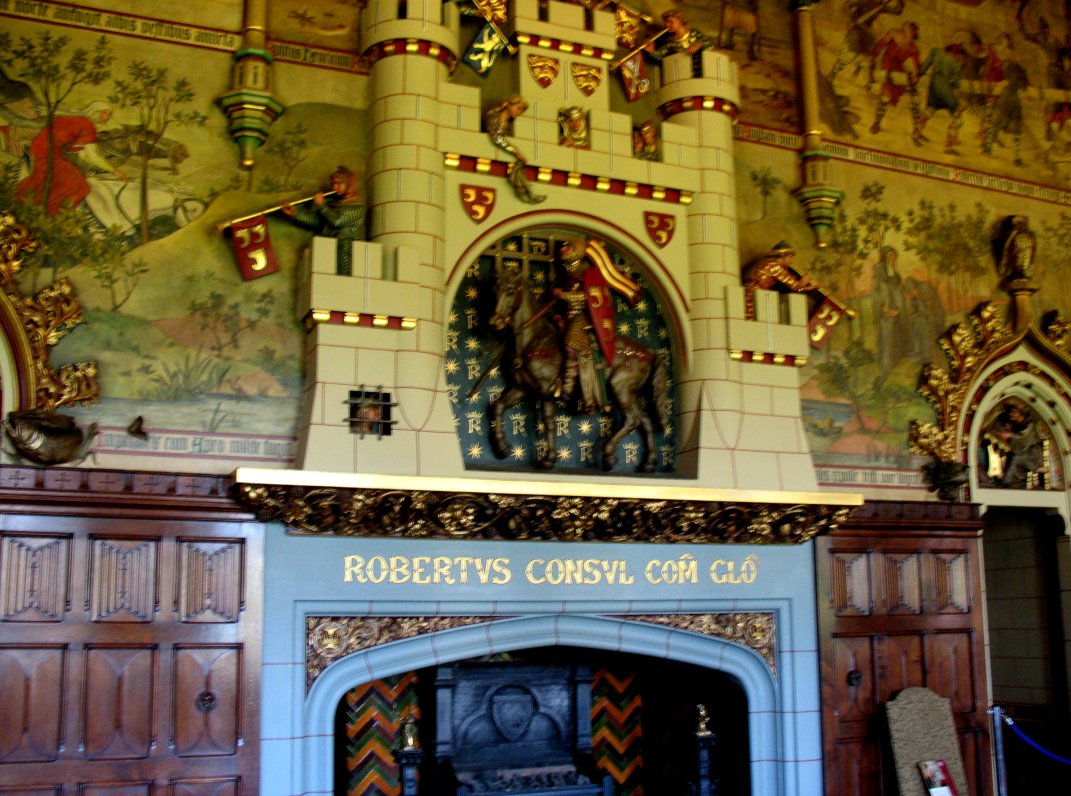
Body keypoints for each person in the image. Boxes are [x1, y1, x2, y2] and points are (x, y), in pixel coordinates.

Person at [552, 238, 640, 414]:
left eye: (567, 246)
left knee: (571, 345)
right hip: (569, 315)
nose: (564, 249)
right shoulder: (565, 274)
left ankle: (569, 386)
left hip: (585, 317)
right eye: (562, 248)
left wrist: (564, 296)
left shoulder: (587, 272)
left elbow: (590, 297)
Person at [15, 100, 125, 215]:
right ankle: (52, 214)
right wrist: (114, 171)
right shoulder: (87, 125)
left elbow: (83, 155)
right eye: (105, 113)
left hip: (42, 149)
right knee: (81, 187)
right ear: (95, 111)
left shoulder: (77, 119)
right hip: (48, 154)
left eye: (109, 114)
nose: (107, 117)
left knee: (62, 180)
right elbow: (92, 156)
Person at [280, 165, 366, 276]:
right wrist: (295, 214)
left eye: (339, 183)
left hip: (344, 244)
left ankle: (344, 280)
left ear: (349, 183)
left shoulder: (357, 206)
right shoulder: (332, 205)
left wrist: (321, 205)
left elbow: (337, 222)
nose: (335, 187)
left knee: (343, 248)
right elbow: (319, 223)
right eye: (333, 184)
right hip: (327, 245)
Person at [828, 0, 905, 86]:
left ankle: (857, 73)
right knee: (850, 53)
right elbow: (846, 5)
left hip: (867, 33)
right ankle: (833, 73)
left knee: (866, 54)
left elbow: (897, 11)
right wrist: (850, 17)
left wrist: (901, 2)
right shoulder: (863, 1)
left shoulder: (881, 7)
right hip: (856, 29)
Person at [485, 94, 544, 203]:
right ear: (509, 105)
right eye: (518, 108)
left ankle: (527, 192)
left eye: (521, 110)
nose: (519, 112)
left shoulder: (509, 125)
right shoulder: (494, 118)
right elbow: (496, 137)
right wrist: (515, 151)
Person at [868, 21, 921, 135]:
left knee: (914, 95)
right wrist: (873, 57)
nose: (911, 37)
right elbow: (881, 45)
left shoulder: (913, 48)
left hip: (899, 70)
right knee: (886, 94)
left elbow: (916, 66)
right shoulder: (893, 34)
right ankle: (877, 123)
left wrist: (915, 76)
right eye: (910, 32)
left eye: (913, 34)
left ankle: (917, 127)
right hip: (887, 65)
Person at [741, 242, 817, 320]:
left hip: (749, 292)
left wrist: (806, 288)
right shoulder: (774, 266)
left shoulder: (766, 262)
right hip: (752, 295)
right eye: (790, 257)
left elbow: (795, 288)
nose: (791, 262)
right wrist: (806, 279)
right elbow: (795, 286)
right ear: (782, 256)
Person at [913, 43, 966, 154]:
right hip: (944, 88)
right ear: (956, 54)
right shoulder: (955, 65)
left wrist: (918, 75)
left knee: (930, 109)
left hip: (933, 85)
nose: (961, 60)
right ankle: (948, 146)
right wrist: (958, 103)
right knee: (958, 118)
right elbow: (955, 86)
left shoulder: (936, 51)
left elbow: (926, 64)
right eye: (961, 57)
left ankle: (916, 134)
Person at [872, 246, 907, 375]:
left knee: (896, 338)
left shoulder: (896, 275)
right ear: (886, 257)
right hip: (884, 312)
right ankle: (885, 367)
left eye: (894, 255)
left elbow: (898, 294)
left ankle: (894, 365)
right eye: (891, 255)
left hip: (896, 312)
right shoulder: (879, 271)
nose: (894, 258)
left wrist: (898, 310)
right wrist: (884, 308)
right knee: (886, 339)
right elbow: (877, 293)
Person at [646, 10, 714, 76]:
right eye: (666, 22)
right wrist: (651, 50)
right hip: (684, 72)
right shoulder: (670, 42)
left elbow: (710, 46)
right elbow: (662, 58)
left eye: (671, 22)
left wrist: (699, 44)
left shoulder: (695, 33)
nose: (667, 25)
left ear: (680, 21)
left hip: (703, 68)